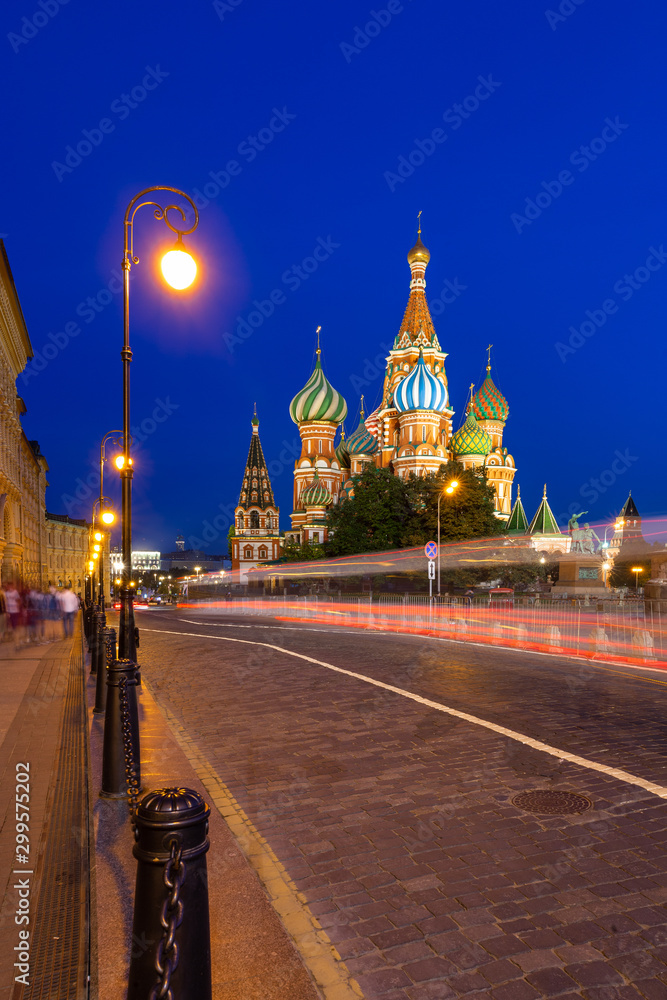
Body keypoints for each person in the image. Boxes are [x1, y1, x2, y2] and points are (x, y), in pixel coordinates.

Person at [4, 582, 22, 649]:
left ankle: (17, 642)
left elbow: (19, 600)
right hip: (9, 612)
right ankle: (14, 639)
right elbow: (5, 603)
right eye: (8, 586)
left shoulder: (15, 592)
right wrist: (6, 611)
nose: (9, 587)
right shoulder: (5, 593)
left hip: (15, 612)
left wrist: (18, 605)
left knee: (15, 627)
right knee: (10, 627)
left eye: (10, 586)